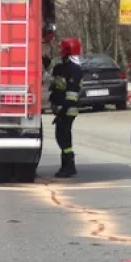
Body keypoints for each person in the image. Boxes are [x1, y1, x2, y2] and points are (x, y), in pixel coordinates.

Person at [49, 37, 83, 178]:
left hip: (68, 109)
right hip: (61, 108)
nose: (59, 51)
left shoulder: (74, 70)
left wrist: (62, 112)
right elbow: (55, 84)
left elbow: (72, 94)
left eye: (61, 48)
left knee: (64, 137)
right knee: (61, 136)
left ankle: (69, 166)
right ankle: (67, 165)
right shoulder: (60, 67)